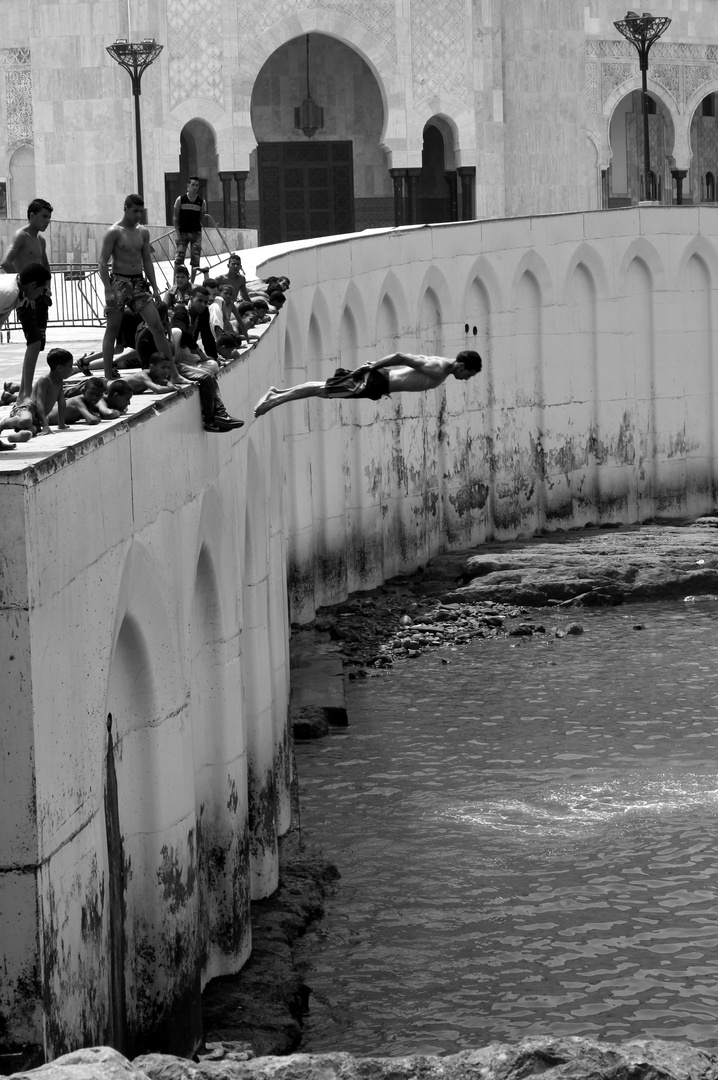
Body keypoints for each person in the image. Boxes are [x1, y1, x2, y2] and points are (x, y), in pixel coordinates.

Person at [98, 194, 184, 386]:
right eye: (135, 211)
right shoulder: (114, 232)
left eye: (141, 211)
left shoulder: (143, 232)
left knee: (157, 328)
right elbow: (102, 263)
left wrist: (154, 287)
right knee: (112, 330)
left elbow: (147, 261)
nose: (138, 215)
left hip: (138, 284)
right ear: (125, 209)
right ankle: (108, 376)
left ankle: (174, 372)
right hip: (119, 283)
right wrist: (108, 290)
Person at [254, 350, 483, 417]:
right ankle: (274, 400)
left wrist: (375, 366)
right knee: (323, 390)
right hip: (376, 382)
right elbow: (401, 356)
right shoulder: (438, 369)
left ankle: (278, 393)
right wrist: (372, 367)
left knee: (324, 387)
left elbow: (404, 360)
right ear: (463, 366)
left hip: (379, 381)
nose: (466, 380)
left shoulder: (440, 363)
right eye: (469, 375)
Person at [0, 199, 54, 402]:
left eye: (49, 217)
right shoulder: (21, 236)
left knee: (38, 343)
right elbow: (6, 261)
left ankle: (22, 390)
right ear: (31, 215)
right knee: (34, 341)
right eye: (43, 217)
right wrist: (23, 289)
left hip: (39, 295)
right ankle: (25, 393)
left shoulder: (40, 240)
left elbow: (45, 266)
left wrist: (47, 290)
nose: (47, 221)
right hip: (24, 296)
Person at [0, 346, 74, 437]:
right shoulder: (45, 380)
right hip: (26, 409)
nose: (72, 369)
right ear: (59, 368)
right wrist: (45, 425)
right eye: (70, 366)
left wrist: (61, 424)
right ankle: (4, 422)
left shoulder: (59, 382)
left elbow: (62, 402)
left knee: (33, 430)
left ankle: (17, 437)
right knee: (26, 421)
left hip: (36, 418)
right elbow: (40, 403)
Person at [173, 176, 206, 281]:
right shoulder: (180, 200)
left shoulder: (201, 202)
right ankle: (176, 283)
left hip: (196, 234)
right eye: (193, 185)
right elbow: (175, 218)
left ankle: (191, 283)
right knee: (179, 260)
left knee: (195, 260)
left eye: (197, 185)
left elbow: (201, 216)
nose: (195, 187)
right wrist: (178, 234)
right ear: (188, 186)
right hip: (182, 233)